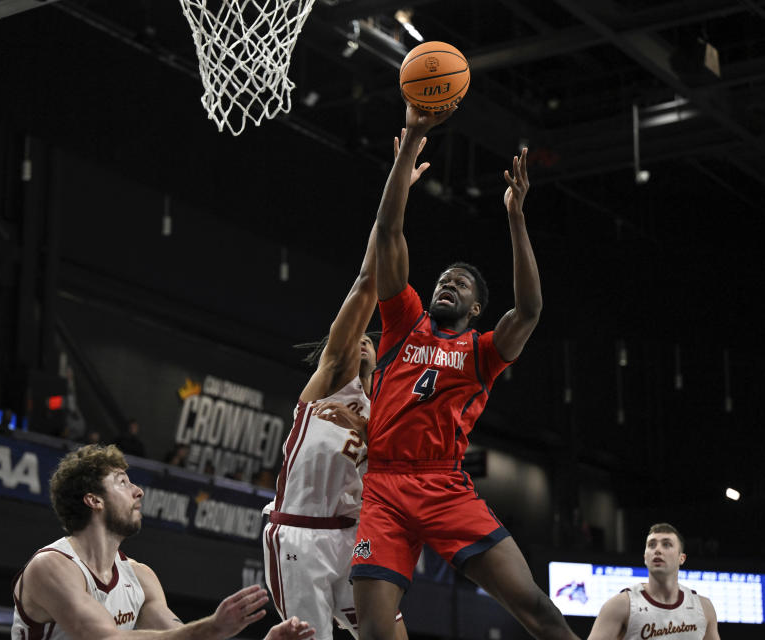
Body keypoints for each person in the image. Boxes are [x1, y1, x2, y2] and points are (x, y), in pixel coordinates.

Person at [349, 104, 578, 640]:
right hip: (383, 487)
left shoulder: (482, 351)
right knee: (377, 634)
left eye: (462, 283)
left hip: (444, 484)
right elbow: (387, 232)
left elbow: (529, 312)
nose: (447, 283)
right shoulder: (404, 323)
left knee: (536, 608)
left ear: (476, 308)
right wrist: (409, 145)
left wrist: (516, 219)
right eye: (443, 279)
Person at [262, 128, 432, 640]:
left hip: (354, 537)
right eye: (358, 336)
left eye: (370, 340)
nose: (363, 340)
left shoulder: (385, 409)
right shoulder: (330, 383)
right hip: (301, 538)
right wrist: (401, 166)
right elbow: (368, 277)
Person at [11, 443, 315, 640]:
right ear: (93, 500)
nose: (138, 491)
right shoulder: (51, 566)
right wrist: (211, 626)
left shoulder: (140, 577)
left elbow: (180, 637)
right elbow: (106, 639)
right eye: (122, 482)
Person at [587, 523, 720, 640]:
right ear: (645, 557)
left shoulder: (704, 607)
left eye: (666, 544)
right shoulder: (620, 605)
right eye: (652, 545)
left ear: (682, 558)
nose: (657, 550)